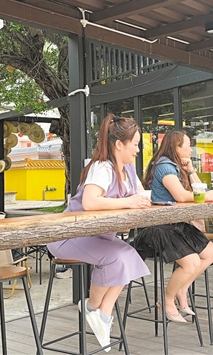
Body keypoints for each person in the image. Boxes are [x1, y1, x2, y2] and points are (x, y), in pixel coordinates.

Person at [47, 114, 151, 351]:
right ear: (119, 144)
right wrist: (129, 203)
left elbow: (140, 196)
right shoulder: (102, 167)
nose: (138, 149)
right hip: (68, 235)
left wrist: (137, 204)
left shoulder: (129, 170)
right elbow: (90, 202)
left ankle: (100, 312)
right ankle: (94, 308)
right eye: (135, 144)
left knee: (129, 255)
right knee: (116, 257)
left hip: (97, 236)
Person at [133, 130, 213, 323]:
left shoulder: (176, 167)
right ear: (176, 147)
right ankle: (167, 299)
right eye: (188, 145)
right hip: (160, 226)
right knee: (192, 263)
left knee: (211, 253)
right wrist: (207, 196)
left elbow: (199, 190)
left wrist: (191, 171)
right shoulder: (165, 166)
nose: (191, 149)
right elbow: (181, 195)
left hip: (176, 224)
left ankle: (181, 289)